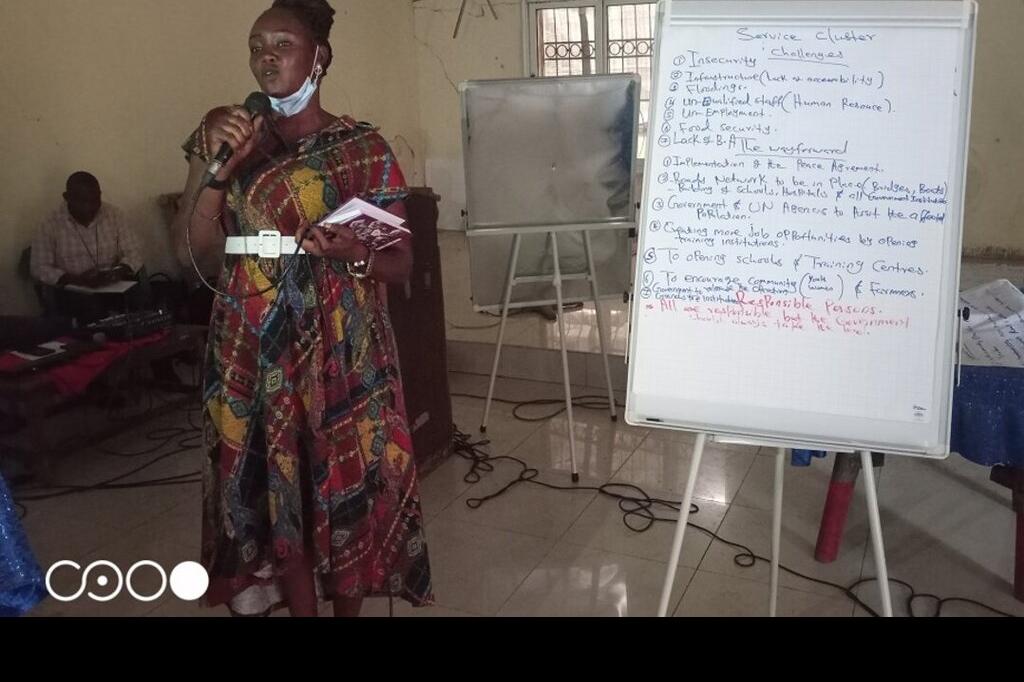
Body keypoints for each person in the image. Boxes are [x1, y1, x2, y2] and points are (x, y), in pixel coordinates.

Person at [171, 0, 432, 617]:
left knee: (344, 489)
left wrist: (352, 252)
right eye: (256, 46)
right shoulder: (219, 139)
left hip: (342, 349)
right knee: (275, 491)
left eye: (283, 44)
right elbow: (190, 255)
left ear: (321, 57)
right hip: (253, 345)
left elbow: (401, 264)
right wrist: (218, 172)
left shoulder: (361, 147)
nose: (267, 57)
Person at [30, 171, 144, 322]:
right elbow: (39, 267)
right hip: (73, 291)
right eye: (82, 201)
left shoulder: (115, 215)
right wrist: (78, 280)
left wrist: (117, 272)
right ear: (67, 197)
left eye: (95, 200)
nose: (89, 207)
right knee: (90, 308)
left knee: (137, 301)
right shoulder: (49, 224)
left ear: (100, 195)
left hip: (113, 285)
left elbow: (134, 252)